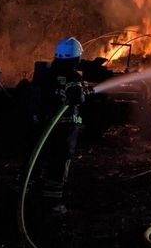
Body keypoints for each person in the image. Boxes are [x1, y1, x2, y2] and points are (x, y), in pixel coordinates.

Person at [31, 37, 90, 214]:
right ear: (76, 58)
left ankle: (25, 196)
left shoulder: (45, 72)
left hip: (42, 128)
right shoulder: (73, 76)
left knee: (36, 161)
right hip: (64, 133)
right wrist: (83, 91)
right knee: (58, 167)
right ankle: (53, 204)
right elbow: (76, 98)